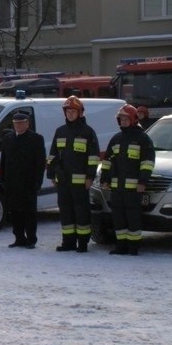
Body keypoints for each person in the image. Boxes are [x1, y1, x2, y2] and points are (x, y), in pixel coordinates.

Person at [46, 96, 100, 253]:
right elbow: (53, 155)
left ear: (80, 113)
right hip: (63, 180)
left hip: (81, 181)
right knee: (65, 211)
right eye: (68, 111)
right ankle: (68, 242)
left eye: (73, 111)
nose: (70, 114)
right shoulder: (60, 131)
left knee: (81, 212)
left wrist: (90, 177)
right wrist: (51, 175)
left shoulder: (88, 132)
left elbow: (93, 157)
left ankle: (82, 243)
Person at [100, 104, 155, 255]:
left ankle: (133, 247)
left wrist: (143, 182)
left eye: (126, 118)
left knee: (133, 217)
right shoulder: (116, 139)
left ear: (133, 119)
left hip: (133, 188)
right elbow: (107, 161)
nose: (123, 121)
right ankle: (120, 246)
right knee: (118, 217)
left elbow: (148, 162)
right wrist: (105, 179)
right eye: (121, 119)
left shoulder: (143, 138)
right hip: (117, 187)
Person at [0, 111, 46, 249]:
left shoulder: (36, 139)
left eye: (21, 123)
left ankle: (31, 239)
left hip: (28, 182)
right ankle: (19, 237)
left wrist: (38, 181)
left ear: (27, 123)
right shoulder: (8, 138)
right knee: (15, 211)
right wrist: (2, 178)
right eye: (15, 123)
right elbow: (4, 160)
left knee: (29, 212)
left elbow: (40, 162)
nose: (18, 126)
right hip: (12, 182)